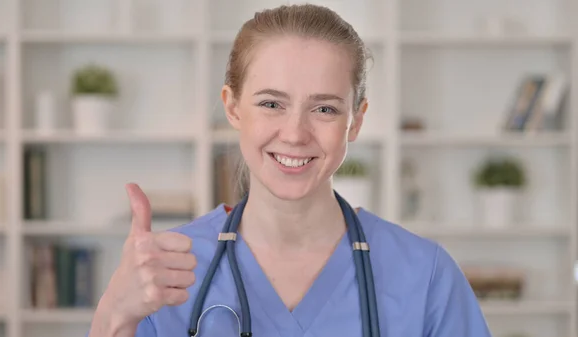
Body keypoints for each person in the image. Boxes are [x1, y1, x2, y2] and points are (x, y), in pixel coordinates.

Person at [88, 4, 492, 337]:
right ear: (232, 106)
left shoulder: (425, 276)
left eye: (325, 109)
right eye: (271, 103)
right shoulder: (167, 270)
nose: (295, 134)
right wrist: (115, 314)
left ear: (355, 121)